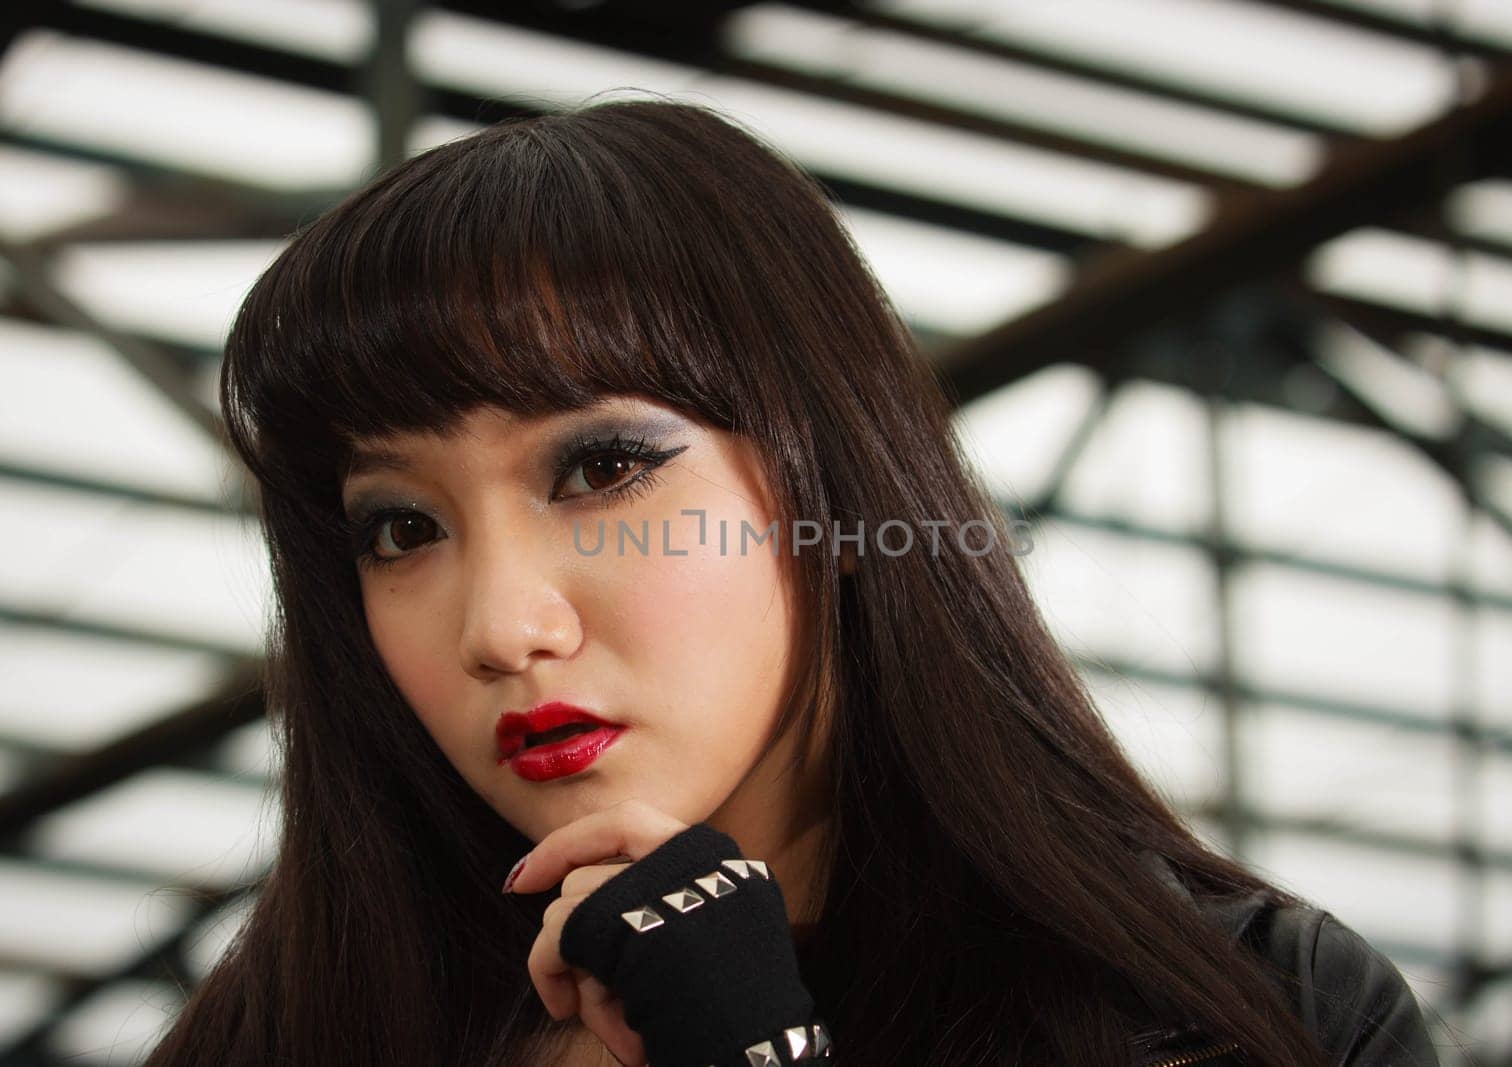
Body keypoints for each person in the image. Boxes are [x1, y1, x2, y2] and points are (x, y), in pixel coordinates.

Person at [143, 95, 1443, 1067]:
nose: (502, 629)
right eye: (399, 529)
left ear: (828, 474)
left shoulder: (1245, 1018)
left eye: (601, 468)